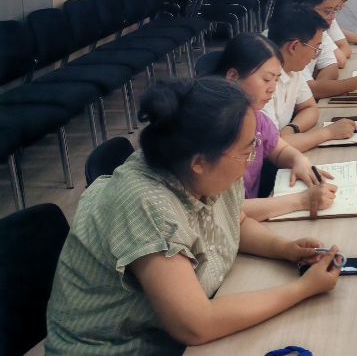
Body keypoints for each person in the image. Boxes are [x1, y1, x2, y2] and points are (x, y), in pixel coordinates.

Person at [45, 77, 341, 354]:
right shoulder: (146, 203)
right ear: (199, 162)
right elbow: (196, 324)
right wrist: (304, 288)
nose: (250, 158)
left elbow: (233, 222)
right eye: (246, 151)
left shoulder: (204, 165)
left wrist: (285, 249)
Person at [209, 32, 338, 220]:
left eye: (276, 79)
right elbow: (226, 211)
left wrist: (299, 160)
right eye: (266, 79)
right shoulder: (214, 127)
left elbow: (279, 149)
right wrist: (301, 200)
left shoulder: (254, 115)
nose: (272, 88)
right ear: (233, 77)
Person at [264, 3, 357, 152]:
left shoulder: (292, 69)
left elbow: (310, 108)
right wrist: (327, 132)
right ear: (294, 47)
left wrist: (291, 129)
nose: (315, 56)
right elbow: (274, 147)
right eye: (315, 48)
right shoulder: (263, 81)